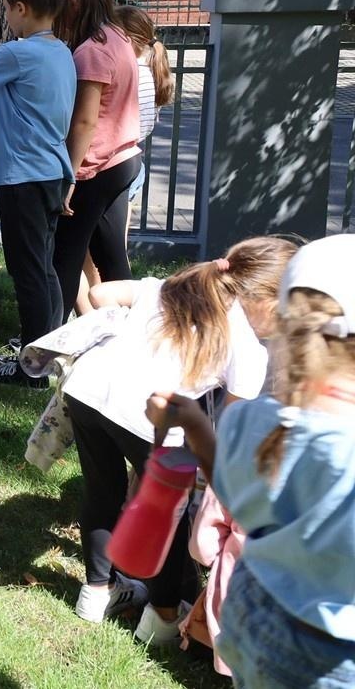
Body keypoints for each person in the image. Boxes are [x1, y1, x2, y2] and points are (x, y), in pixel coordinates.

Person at [61, 236, 294, 644]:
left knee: (101, 493)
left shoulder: (169, 285)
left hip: (89, 390)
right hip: (147, 413)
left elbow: (98, 293)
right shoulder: (249, 350)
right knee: (163, 514)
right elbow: (228, 425)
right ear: (269, 301)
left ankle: (96, 594)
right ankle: (163, 618)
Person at [147, 234, 355, 686]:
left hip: (254, 620)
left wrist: (197, 427)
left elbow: (229, 493)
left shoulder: (257, 421)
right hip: (333, 654)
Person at [0, 0, 76, 389]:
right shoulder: (61, 52)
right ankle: (50, 354)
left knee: (28, 270)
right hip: (50, 171)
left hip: (24, 176)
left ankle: (31, 369)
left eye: (7, 10)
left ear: (20, 8)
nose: (6, 18)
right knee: (44, 267)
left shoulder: (17, 52)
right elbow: (22, 109)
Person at [52, 0, 142, 323]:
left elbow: (85, 121)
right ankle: (139, 334)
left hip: (95, 168)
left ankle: (47, 347)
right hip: (123, 160)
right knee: (111, 256)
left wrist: (69, 177)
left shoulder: (91, 51)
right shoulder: (118, 38)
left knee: (64, 257)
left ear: (72, 5)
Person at [75, 3, 175, 314]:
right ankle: (113, 310)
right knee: (114, 247)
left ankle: (99, 311)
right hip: (131, 162)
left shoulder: (128, 73)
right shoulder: (149, 74)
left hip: (106, 164)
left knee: (92, 253)